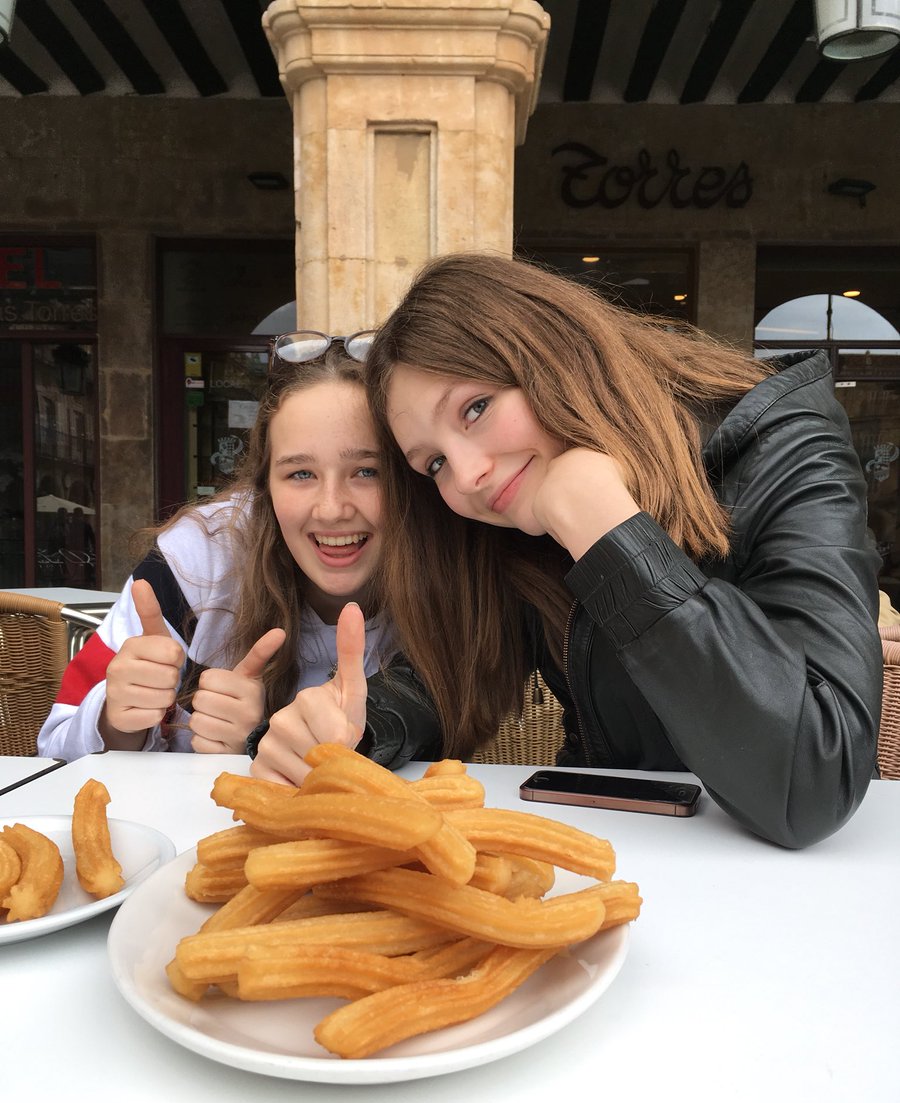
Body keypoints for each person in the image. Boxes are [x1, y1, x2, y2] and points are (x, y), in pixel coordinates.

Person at [364, 252, 883, 849]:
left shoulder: (789, 449)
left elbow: (816, 777)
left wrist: (614, 535)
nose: (467, 475)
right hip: (609, 847)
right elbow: (457, 670)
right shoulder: (518, 522)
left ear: (559, 358)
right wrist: (363, 725)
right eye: (433, 463)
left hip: (785, 892)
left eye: (476, 408)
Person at [38, 335, 442, 777]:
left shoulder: (452, 574)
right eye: (300, 473)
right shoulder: (194, 561)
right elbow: (53, 748)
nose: (331, 508)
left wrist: (256, 744)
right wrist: (118, 724)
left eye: (368, 471)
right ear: (264, 484)